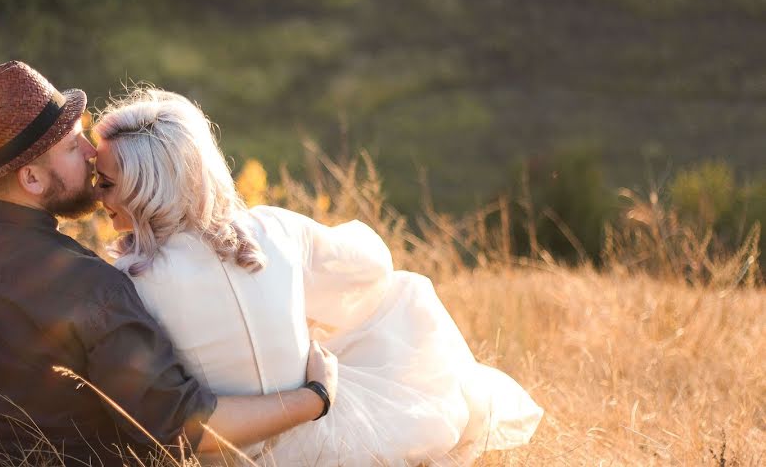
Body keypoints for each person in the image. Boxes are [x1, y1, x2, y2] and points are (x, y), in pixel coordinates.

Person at [0, 61, 338, 467]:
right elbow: (183, 428)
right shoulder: (91, 288)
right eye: (73, 146)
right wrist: (313, 398)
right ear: (31, 178)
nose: (92, 153)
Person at [92, 86, 544, 466]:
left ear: (145, 186)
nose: (97, 194)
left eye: (107, 183)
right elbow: (371, 267)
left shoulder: (129, 280)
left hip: (227, 454)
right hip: (323, 439)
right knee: (405, 293)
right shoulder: (273, 228)